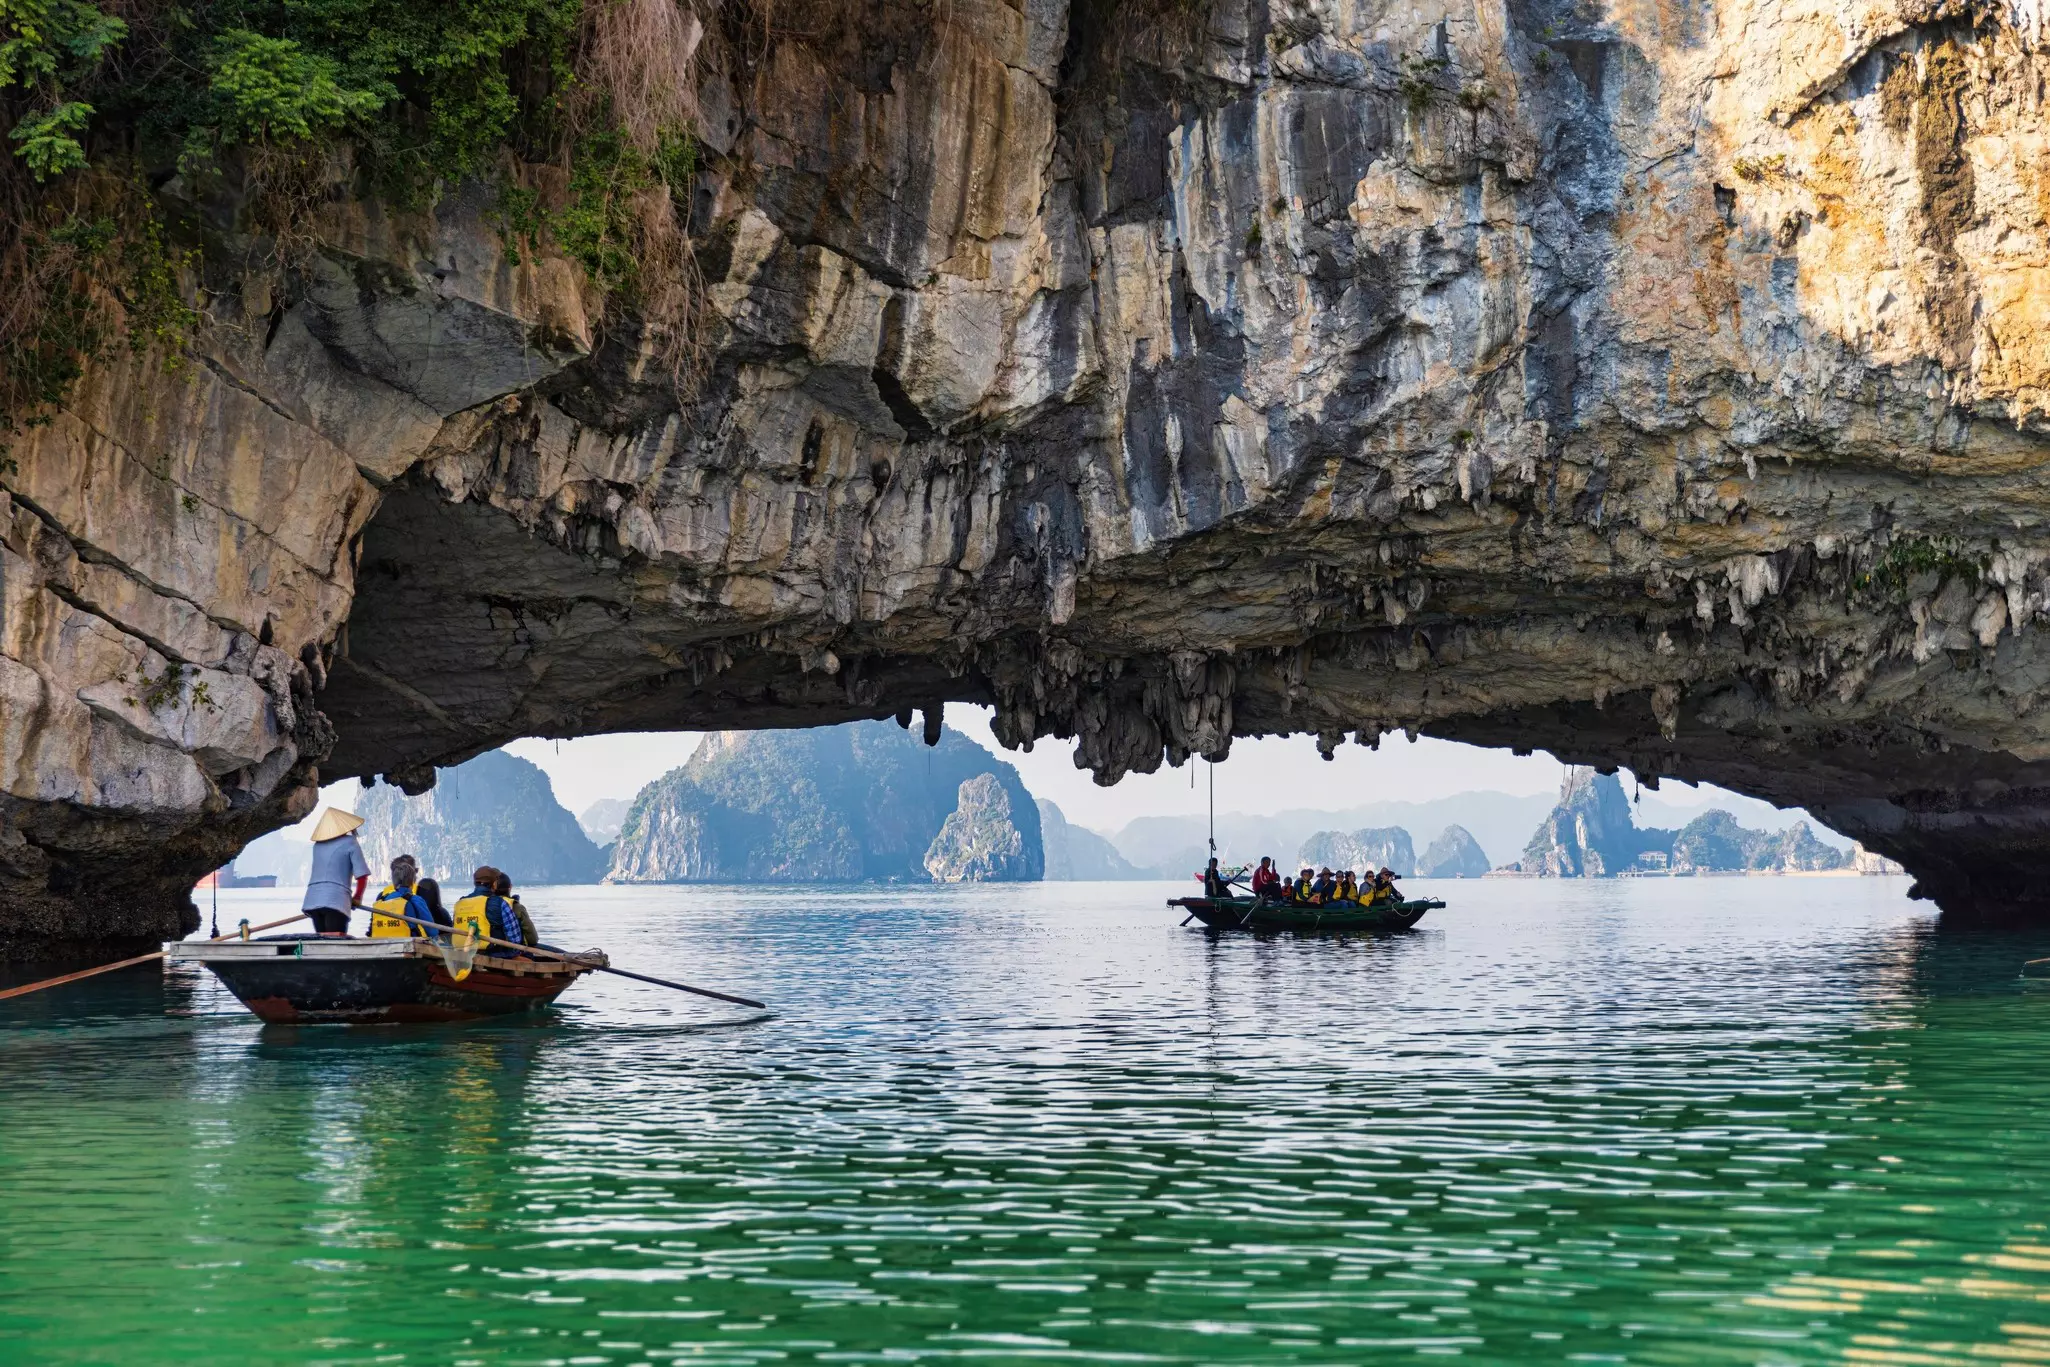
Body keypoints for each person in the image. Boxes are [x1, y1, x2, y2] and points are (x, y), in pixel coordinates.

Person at [303, 807, 369, 936]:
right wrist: (357, 897)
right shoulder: (351, 843)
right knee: (337, 944)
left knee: (323, 943)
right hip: (336, 899)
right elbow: (362, 876)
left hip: (313, 900)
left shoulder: (317, 846)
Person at [452, 866, 524, 953]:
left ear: (475, 883)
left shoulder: (460, 903)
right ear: (494, 884)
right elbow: (515, 939)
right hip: (494, 953)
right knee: (527, 955)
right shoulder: (500, 903)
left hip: (463, 952)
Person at [368, 855, 439, 940]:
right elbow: (432, 931)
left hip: (381, 944)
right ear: (412, 880)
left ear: (393, 881)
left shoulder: (382, 899)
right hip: (408, 946)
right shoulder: (416, 900)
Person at [494, 870, 539, 947]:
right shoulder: (518, 908)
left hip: (490, 948)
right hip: (513, 950)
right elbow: (532, 939)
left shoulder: (486, 905)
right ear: (510, 887)